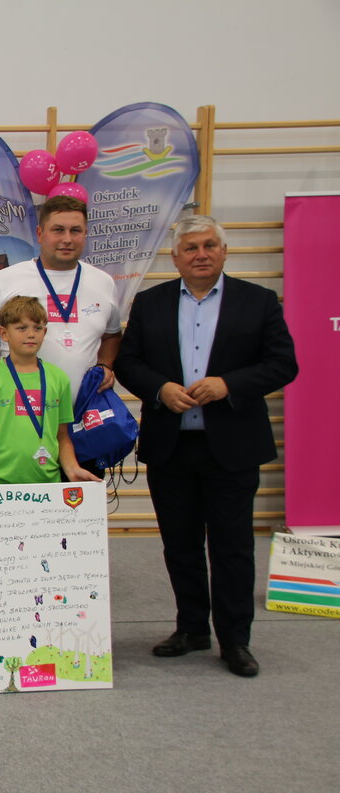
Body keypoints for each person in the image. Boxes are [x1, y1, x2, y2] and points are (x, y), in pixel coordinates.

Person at [115, 215, 297, 677]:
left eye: (209, 245)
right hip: (171, 445)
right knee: (180, 545)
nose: (201, 254)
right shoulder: (151, 303)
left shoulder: (258, 301)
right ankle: (191, 628)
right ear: (175, 257)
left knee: (233, 547)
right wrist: (160, 389)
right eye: (191, 248)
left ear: (224, 251)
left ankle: (235, 640)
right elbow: (129, 363)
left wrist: (228, 385)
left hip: (232, 446)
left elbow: (283, 364)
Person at [0, 195, 122, 476]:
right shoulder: (7, 279)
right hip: (16, 427)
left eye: (75, 230)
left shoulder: (103, 283)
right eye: (58, 230)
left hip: (83, 421)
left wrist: (106, 364)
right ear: (40, 233)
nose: (67, 239)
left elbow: (112, 336)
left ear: (85, 233)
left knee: (78, 499)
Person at [0, 296, 99, 488]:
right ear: (3, 333)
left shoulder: (58, 378)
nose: (31, 334)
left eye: (37, 328)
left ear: (45, 332)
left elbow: (62, 437)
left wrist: (73, 469)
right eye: (22, 328)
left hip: (47, 485)